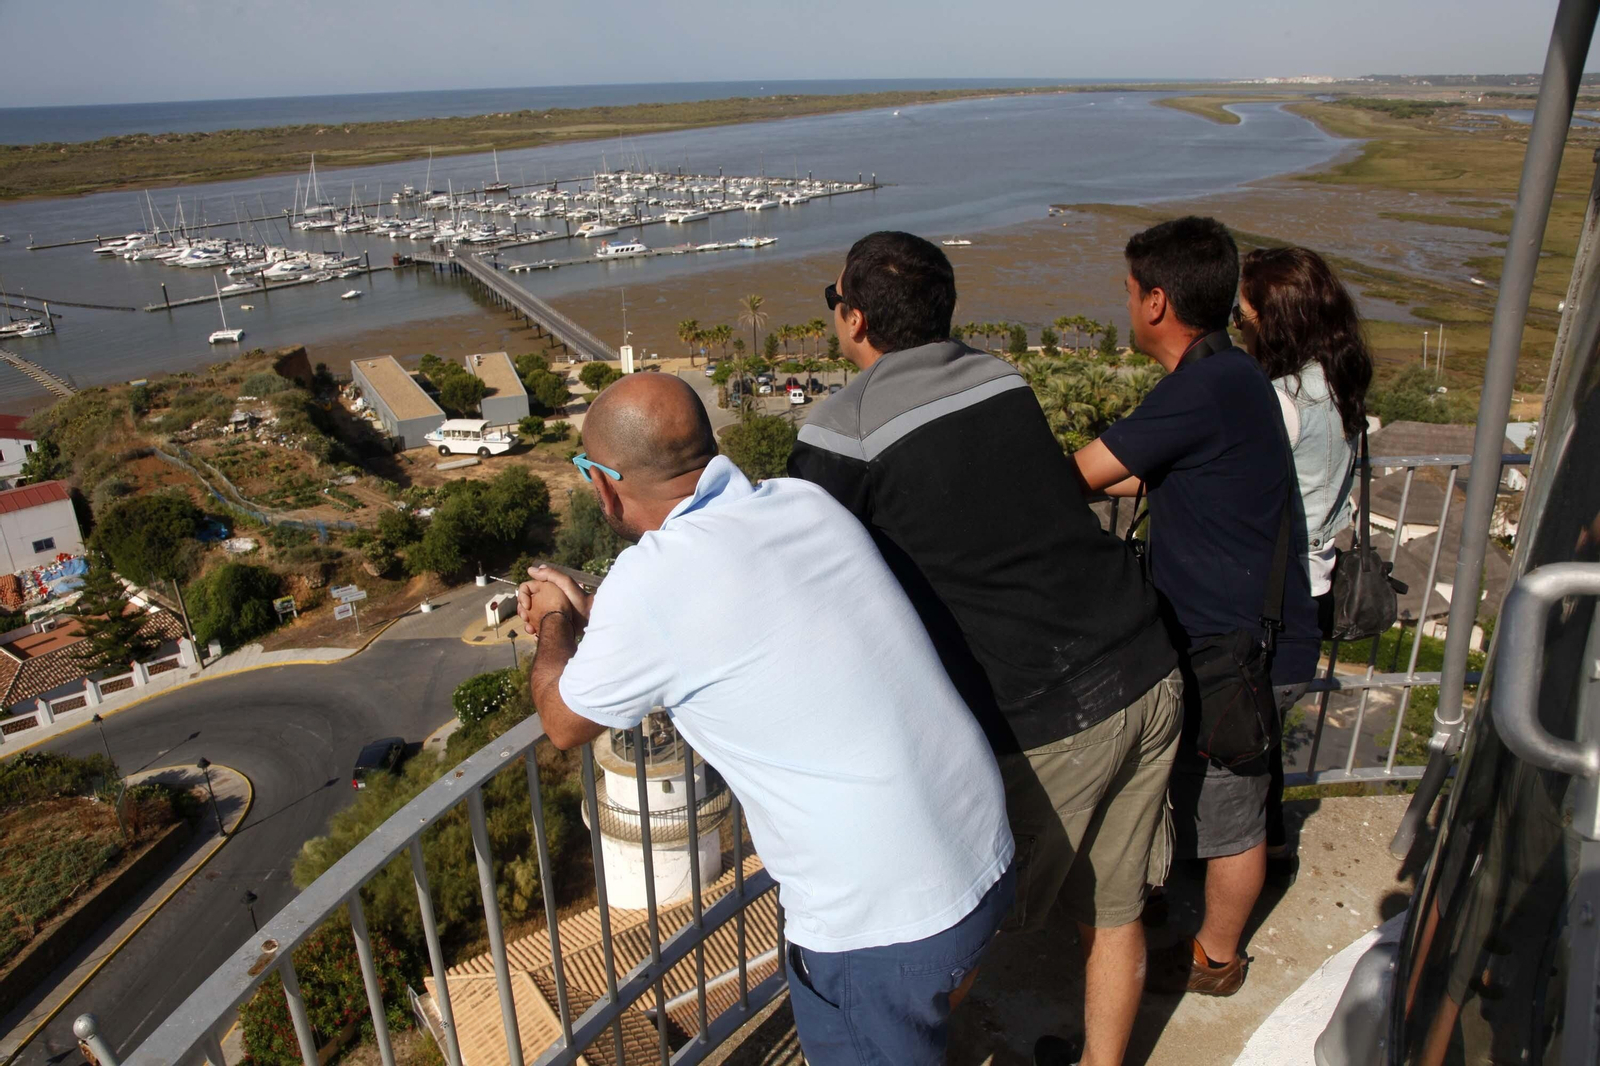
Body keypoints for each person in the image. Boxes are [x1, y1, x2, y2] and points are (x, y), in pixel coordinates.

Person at [517, 373, 1015, 1066]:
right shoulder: (801, 503)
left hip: (882, 922)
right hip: (981, 851)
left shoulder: (650, 582)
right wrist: (603, 616)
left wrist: (553, 621)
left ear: (603, 483)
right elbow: (729, 612)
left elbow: (562, 721)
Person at [788, 231, 1181, 1066]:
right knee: (1113, 913)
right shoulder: (1000, 377)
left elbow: (790, 569)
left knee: (953, 942)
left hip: (1048, 712)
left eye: (835, 302)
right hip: (1144, 661)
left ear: (856, 319)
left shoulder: (844, 427)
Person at [1071, 216, 1319, 998]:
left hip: (1237, 651)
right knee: (1214, 796)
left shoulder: (1200, 388)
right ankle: (1190, 923)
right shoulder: (1230, 375)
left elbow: (1080, 473)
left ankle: (1217, 959)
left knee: (1232, 816)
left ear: (1156, 302)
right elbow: (1164, 471)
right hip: (1244, 636)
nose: (1127, 304)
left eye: (1129, 290)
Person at [1236, 246, 1373, 887]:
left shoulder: (1280, 400)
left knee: (1238, 734)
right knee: (1261, 733)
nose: (1240, 328)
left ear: (1275, 321)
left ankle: (1240, 860)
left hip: (1272, 591)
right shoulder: (1339, 383)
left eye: (1244, 318)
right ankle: (1273, 849)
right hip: (1314, 584)